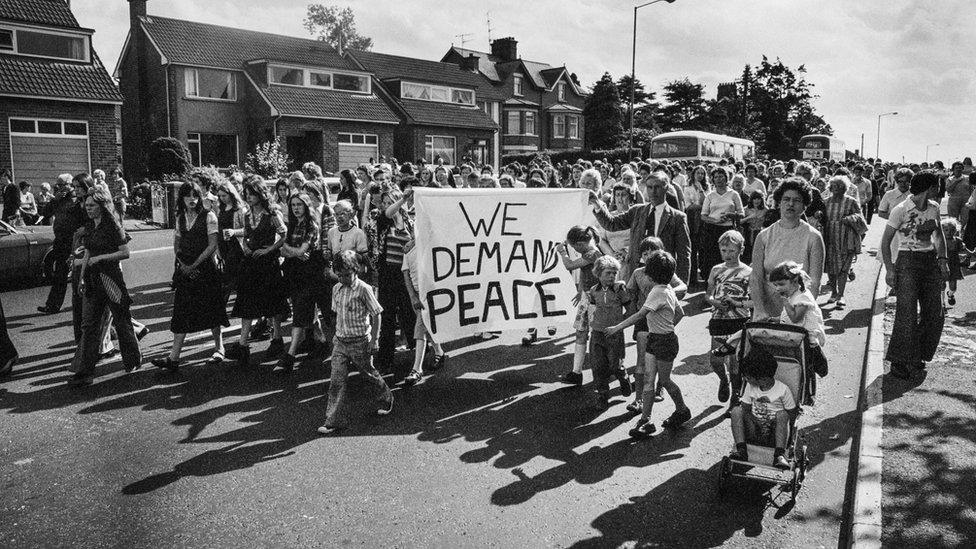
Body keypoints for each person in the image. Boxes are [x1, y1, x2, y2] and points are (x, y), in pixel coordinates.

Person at [606, 250, 689, 438]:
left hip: (663, 342)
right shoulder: (667, 289)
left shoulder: (657, 292)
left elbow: (639, 315)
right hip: (658, 339)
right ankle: (646, 420)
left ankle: (682, 410)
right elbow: (680, 313)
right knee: (650, 380)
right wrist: (666, 328)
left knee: (665, 380)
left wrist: (617, 327)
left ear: (649, 274)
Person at [152, 182, 228, 372]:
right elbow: (177, 243)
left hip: (205, 270)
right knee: (181, 310)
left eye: (195, 196)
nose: (192, 200)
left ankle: (219, 348)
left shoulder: (209, 216)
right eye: (188, 196)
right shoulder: (180, 218)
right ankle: (174, 358)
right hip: (185, 270)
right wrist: (183, 263)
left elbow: (212, 246)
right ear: (182, 198)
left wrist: (195, 265)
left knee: (212, 308)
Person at [70, 187, 142, 386]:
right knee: (89, 325)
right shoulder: (90, 226)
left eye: (92, 205)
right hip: (93, 281)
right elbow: (87, 253)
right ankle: (84, 372)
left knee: (122, 320)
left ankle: (133, 360)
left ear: (102, 206)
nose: (88, 208)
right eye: (87, 205)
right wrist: (82, 276)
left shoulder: (112, 225)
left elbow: (125, 252)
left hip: (110, 279)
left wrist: (100, 258)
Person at [317, 250, 394, 435]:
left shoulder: (364, 289)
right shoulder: (336, 289)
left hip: (360, 341)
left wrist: (374, 340)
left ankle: (386, 398)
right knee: (337, 380)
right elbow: (338, 314)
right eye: (340, 275)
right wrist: (336, 335)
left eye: (348, 275)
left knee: (369, 374)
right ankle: (333, 420)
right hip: (341, 342)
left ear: (356, 270)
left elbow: (377, 314)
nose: (344, 279)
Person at [881, 171, 948, 379]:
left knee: (934, 312)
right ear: (929, 188)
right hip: (907, 262)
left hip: (929, 262)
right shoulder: (901, 210)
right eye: (936, 186)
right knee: (906, 313)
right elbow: (885, 242)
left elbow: (938, 234)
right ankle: (899, 361)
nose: (939, 190)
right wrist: (890, 270)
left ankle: (917, 354)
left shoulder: (934, 208)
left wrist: (943, 260)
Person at [227, 178, 289, 367]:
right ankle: (243, 344)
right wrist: (245, 245)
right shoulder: (247, 214)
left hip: (267, 263)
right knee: (247, 302)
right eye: (247, 194)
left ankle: (277, 339)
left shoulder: (271, 213)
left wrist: (270, 249)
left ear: (260, 194)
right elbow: (246, 234)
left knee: (272, 303)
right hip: (251, 262)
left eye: (252, 194)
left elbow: (284, 233)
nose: (249, 197)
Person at [591, 171, 691, 284]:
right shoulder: (637, 211)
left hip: (662, 275)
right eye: (649, 187)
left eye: (657, 187)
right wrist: (597, 205)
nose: (653, 191)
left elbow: (684, 254)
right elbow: (611, 224)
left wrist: (682, 285)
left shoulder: (677, 217)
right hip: (636, 272)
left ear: (666, 188)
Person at [625, 236, 688, 413]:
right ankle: (638, 400)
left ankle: (659, 389)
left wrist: (667, 293)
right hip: (642, 321)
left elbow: (683, 287)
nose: (649, 256)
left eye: (652, 252)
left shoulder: (664, 272)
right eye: (645, 253)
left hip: (660, 321)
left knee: (660, 361)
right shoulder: (638, 273)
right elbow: (630, 295)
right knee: (641, 361)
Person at [749, 178, 825, 320]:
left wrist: (796, 315)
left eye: (797, 200)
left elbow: (814, 282)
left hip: (798, 315)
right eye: (786, 199)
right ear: (778, 203)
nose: (791, 204)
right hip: (766, 313)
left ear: (804, 206)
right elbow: (756, 277)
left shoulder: (814, 237)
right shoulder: (763, 236)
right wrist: (759, 310)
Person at [276, 192, 330, 371]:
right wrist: (294, 251)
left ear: (306, 206)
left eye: (299, 205)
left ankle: (289, 355)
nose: (296, 208)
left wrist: (292, 250)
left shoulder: (312, 225)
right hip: (294, 273)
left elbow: (301, 251)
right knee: (304, 309)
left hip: (311, 273)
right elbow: (284, 251)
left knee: (302, 311)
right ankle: (321, 341)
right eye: (293, 205)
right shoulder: (291, 225)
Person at [706, 231, 752, 414]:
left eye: (732, 250)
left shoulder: (748, 272)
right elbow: (707, 294)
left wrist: (738, 304)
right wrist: (714, 302)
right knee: (715, 359)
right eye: (724, 250)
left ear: (741, 249)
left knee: (735, 363)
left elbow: (754, 300)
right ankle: (723, 380)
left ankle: (735, 396)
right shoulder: (716, 270)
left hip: (739, 320)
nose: (727, 254)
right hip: (719, 318)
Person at [729, 348, 797, 469]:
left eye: (748, 377)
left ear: (762, 379)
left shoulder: (783, 390)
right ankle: (741, 449)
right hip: (754, 429)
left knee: (783, 415)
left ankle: (779, 455)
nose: (745, 379)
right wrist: (755, 421)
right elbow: (745, 408)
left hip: (774, 434)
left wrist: (774, 423)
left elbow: (792, 414)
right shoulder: (750, 387)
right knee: (736, 411)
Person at [374, 186, 417, 371]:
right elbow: (388, 214)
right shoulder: (383, 221)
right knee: (388, 316)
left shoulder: (409, 222)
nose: (386, 206)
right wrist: (402, 201)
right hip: (388, 274)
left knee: (409, 315)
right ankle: (385, 358)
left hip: (406, 273)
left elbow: (414, 242)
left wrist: (410, 241)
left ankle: (417, 353)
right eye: (384, 202)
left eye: (389, 201)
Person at [556, 226, 605, 385]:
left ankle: (609, 370)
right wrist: (580, 290)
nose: (573, 249)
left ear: (580, 244)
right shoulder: (589, 252)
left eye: (573, 246)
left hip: (597, 299)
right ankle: (576, 372)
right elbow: (585, 273)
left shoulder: (593, 253)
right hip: (587, 297)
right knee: (581, 332)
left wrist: (562, 253)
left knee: (598, 336)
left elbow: (570, 265)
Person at [585, 256, 633, 408]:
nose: (612, 276)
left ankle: (623, 377)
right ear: (598, 274)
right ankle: (602, 395)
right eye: (608, 273)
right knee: (598, 366)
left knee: (615, 365)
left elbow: (631, 309)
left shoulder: (619, 289)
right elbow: (591, 310)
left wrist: (621, 323)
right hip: (597, 334)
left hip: (614, 333)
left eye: (614, 273)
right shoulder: (594, 291)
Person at [38, 176, 88, 314]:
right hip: (60, 240)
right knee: (60, 273)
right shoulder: (59, 200)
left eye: (61, 185)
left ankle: (84, 304)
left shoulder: (76, 199)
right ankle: (53, 305)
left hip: (73, 241)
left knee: (78, 274)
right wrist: (55, 199)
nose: (58, 187)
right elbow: (45, 213)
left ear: (69, 185)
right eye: (57, 185)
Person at [402, 238, 447, 386]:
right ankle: (439, 352)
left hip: (430, 293)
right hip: (417, 294)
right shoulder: (408, 250)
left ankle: (417, 369)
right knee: (426, 327)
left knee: (420, 328)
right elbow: (406, 274)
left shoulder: (430, 244)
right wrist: (413, 296)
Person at [823, 176, 865, 308]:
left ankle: (841, 296)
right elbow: (821, 218)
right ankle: (834, 293)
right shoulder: (826, 202)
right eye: (834, 187)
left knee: (843, 269)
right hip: (829, 238)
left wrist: (849, 219)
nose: (836, 190)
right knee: (831, 267)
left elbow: (860, 218)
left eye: (840, 187)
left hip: (847, 239)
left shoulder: (851, 201)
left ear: (845, 189)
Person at [700, 167, 744, 282]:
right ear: (713, 180)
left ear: (726, 178)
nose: (719, 179)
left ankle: (728, 282)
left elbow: (741, 213)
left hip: (728, 230)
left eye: (721, 176)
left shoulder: (733, 194)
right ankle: (711, 284)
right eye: (716, 177)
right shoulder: (710, 196)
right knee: (712, 257)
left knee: (727, 256)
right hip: (712, 229)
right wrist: (715, 220)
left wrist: (731, 215)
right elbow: (703, 215)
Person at [215, 181, 247, 298]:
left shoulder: (239, 209)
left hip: (236, 247)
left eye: (224, 195)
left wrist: (234, 232)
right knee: (228, 277)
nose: (222, 198)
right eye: (220, 196)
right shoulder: (220, 209)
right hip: (224, 246)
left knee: (229, 279)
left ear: (231, 194)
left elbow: (247, 230)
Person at [941, 218, 969, 307]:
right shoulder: (940, 241)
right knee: (941, 285)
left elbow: (963, 250)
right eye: (946, 230)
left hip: (954, 265)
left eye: (952, 230)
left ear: (956, 230)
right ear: (942, 230)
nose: (949, 232)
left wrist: (966, 254)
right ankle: (942, 304)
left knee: (953, 287)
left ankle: (950, 294)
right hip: (942, 265)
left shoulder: (957, 240)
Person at [945, 162, 970, 227]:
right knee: (953, 220)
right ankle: (954, 234)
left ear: (962, 169)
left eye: (960, 168)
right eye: (956, 168)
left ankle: (961, 233)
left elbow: (971, 189)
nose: (958, 169)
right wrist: (956, 181)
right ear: (953, 169)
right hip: (953, 201)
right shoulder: (950, 179)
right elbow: (948, 190)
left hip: (965, 202)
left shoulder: (967, 178)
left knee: (965, 219)